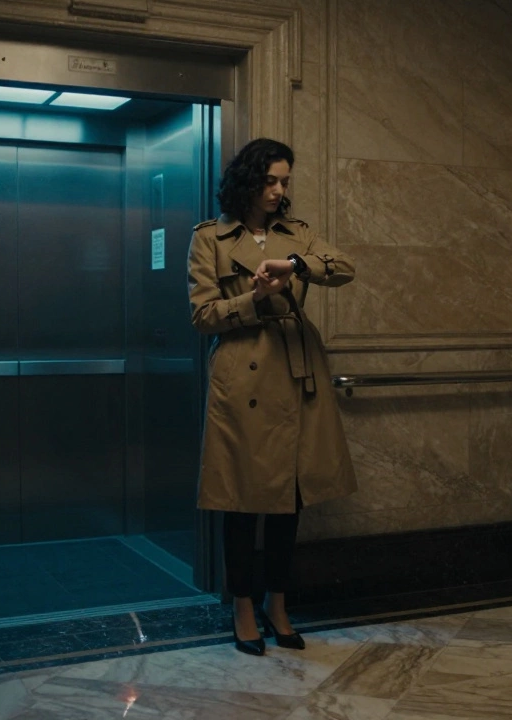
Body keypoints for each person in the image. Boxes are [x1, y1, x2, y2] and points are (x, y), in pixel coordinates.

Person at [187, 138, 357, 656]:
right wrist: (253, 298)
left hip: (294, 371)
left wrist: (297, 267)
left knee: (288, 503)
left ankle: (277, 604)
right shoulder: (209, 238)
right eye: (270, 181)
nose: (280, 191)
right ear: (248, 180)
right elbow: (202, 317)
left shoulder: (297, 234)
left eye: (285, 181)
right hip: (242, 377)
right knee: (240, 503)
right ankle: (243, 607)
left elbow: (345, 267)